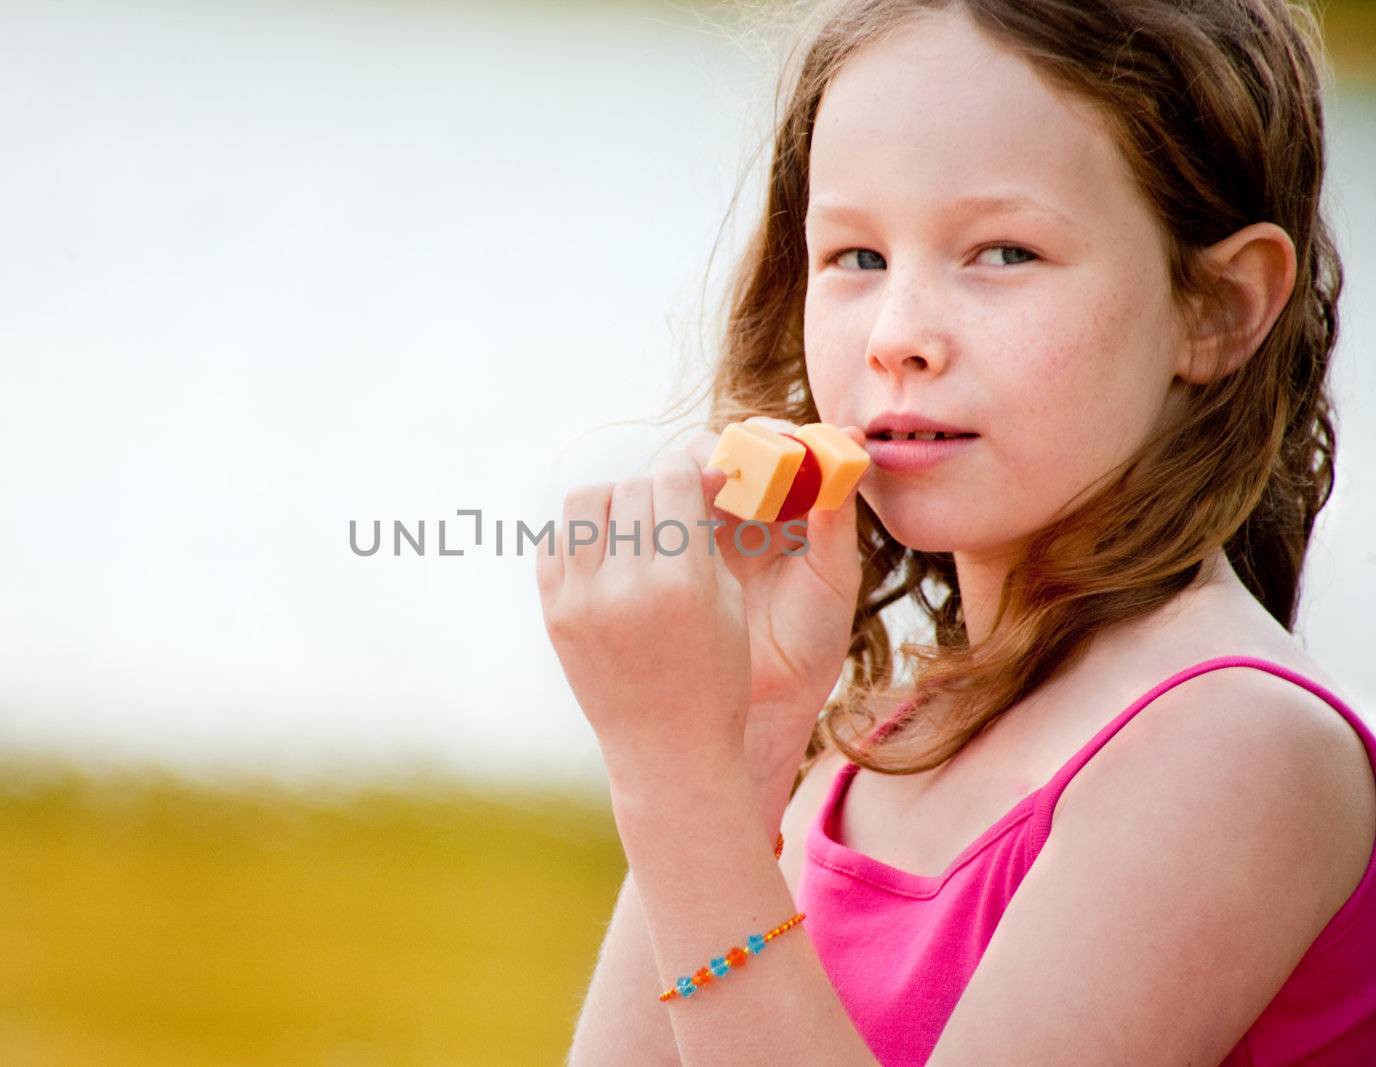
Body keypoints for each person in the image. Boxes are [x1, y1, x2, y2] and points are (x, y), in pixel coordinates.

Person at [533, 0, 1376, 1063]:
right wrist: (741, 742)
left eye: (1003, 252)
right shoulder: (889, 732)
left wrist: (678, 785)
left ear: (1215, 306)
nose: (897, 338)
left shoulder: (1238, 748)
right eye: (855, 257)